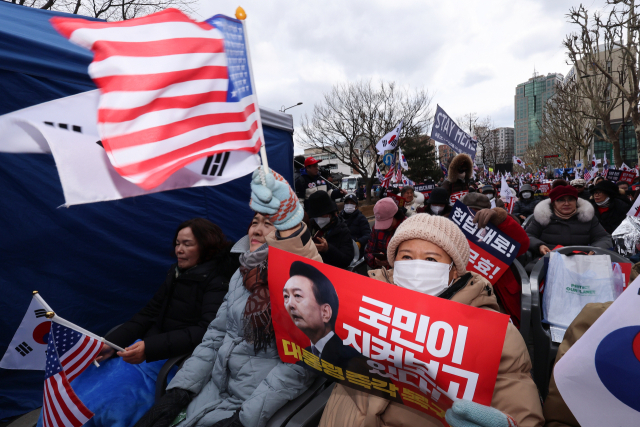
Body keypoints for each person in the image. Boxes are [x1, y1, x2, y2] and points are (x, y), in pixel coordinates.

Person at [135, 169, 321, 427]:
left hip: (257, 405)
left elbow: (300, 365)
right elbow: (214, 338)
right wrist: (180, 391)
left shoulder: (302, 282)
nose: (257, 230)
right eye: (255, 222)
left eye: (268, 223)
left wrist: (244, 419)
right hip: (213, 389)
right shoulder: (241, 275)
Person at [319, 214, 544, 427]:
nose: (417, 266)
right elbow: (309, 286)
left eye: (430, 259)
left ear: (453, 270)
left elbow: (518, 402)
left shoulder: (492, 332)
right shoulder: (365, 303)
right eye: (406, 257)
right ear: (393, 262)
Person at [36, 219, 238, 427]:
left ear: (206, 247)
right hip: (143, 352)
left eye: (187, 244)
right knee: (73, 385)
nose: (179, 250)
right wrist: (109, 344)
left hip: (174, 363)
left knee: (103, 403)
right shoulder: (177, 273)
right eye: (177, 243)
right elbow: (148, 314)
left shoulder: (218, 283)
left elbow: (205, 332)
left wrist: (150, 348)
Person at [461, 193, 530, 328]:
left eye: (478, 212)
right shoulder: (452, 225)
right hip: (463, 293)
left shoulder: (501, 225)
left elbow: (522, 245)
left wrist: (499, 218)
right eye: (470, 211)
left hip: (497, 296)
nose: (474, 216)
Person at [283, 261, 363, 370]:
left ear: (325, 312)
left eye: (297, 295)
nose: (290, 304)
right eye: (286, 296)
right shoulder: (306, 353)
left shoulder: (353, 360)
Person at [525, 183, 612, 262]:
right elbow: (527, 236)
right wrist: (539, 246)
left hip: (582, 261)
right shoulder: (542, 217)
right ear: (553, 203)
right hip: (548, 260)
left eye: (570, 199)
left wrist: (595, 250)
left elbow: (604, 238)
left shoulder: (588, 217)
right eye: (561, 200)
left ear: (576, 202)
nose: (566, 203)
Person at [307, 190, 355, 269]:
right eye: (316, 216)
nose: (318, 219)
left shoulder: (342, 230)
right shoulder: (310, 226)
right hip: (311, 268)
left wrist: (328, 249)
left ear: (330, 213)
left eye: (322, 215)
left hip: (332, 271)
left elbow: (346, 260)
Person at [364, 198, 401, 269]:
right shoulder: (376, 229)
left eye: (387, 223)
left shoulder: (408, 229)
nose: (384, 227)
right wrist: (375, 260)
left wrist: (392, 262)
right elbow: (368, 253)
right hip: (381, 273)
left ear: (396, 215)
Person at [340, 193, 371, 258]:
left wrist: (359, 242)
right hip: (341, 249)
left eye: (351, 203)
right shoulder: (340, 217)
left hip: (356, 251)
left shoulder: (361, 218)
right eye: (347, 203)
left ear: (356, 206)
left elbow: (368, 234)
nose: (349, 205)